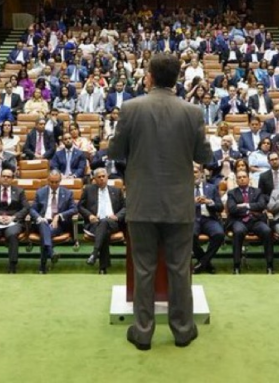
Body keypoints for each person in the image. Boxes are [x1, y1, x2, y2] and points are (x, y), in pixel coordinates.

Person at [107, 52, 210, 351]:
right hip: (179, 203)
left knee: (144, 268)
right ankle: (182, 331)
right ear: (177, 78)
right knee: (180, 268)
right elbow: (204, 156)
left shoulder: (130, 108)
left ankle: (142, 333)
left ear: (149, 76)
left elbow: (115, 152)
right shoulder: (193, 112)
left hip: (142, 202)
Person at [78, 167, 126, 275]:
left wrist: (117, 216)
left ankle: (95, 253)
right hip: (95, 222)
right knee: (104, 230)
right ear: (94, 179)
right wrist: (89, 215)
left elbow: (125, 207)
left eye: (103, 176)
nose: (101, 179)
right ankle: (103, 267)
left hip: (112, 222)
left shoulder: (116, 191)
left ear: (107, 177)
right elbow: (80, 206)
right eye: (99, 177)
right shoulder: (88, 189)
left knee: (104, 223)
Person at [226, 169, 273, 275]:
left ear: (248, 178)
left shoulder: (257, 191)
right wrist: (251, 209)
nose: (242, 179)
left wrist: (246, 205)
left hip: (256, 221)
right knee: (238, 232)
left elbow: (262, 205)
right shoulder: (232, 193)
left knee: (267, 231)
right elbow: (232, 209)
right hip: (239, 221)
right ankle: (236, 266)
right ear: (236, 181)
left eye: (244, 177)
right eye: (239, 178)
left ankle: (270, 265)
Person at [0, 168, 30, 274]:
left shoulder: (19, 191)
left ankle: (12, 266)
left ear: (12, 179)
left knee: (12, 234)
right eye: (3, 176)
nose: (5, 178)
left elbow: (26, 208)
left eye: (8, 177)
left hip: (13, 220)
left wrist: (13, 217)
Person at [29, 170, 76, 273]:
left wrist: (59, 216)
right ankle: (50, 252)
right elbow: (32, 209)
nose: (54, 184)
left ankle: (42, 266)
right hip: (42, 221)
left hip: (57, 224)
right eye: (51, 182)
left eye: (56, 182)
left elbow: (74, 209)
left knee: (45, 235)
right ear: (47, 180)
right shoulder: (40, 192)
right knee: (43, 225)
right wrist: (39, 217)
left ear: (60, 181)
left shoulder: (67, 193)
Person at [191, 163, 224, 274]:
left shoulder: (212, 187)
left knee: (219, 234)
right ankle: (206, 263)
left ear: (200, 174)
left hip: (209, 219)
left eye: (195, 172)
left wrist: (210, 202)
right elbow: (177, 207)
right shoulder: (184, 189)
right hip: (192, 219)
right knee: (190, 235)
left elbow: (220, 207)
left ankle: (202, 262)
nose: (193, 175)